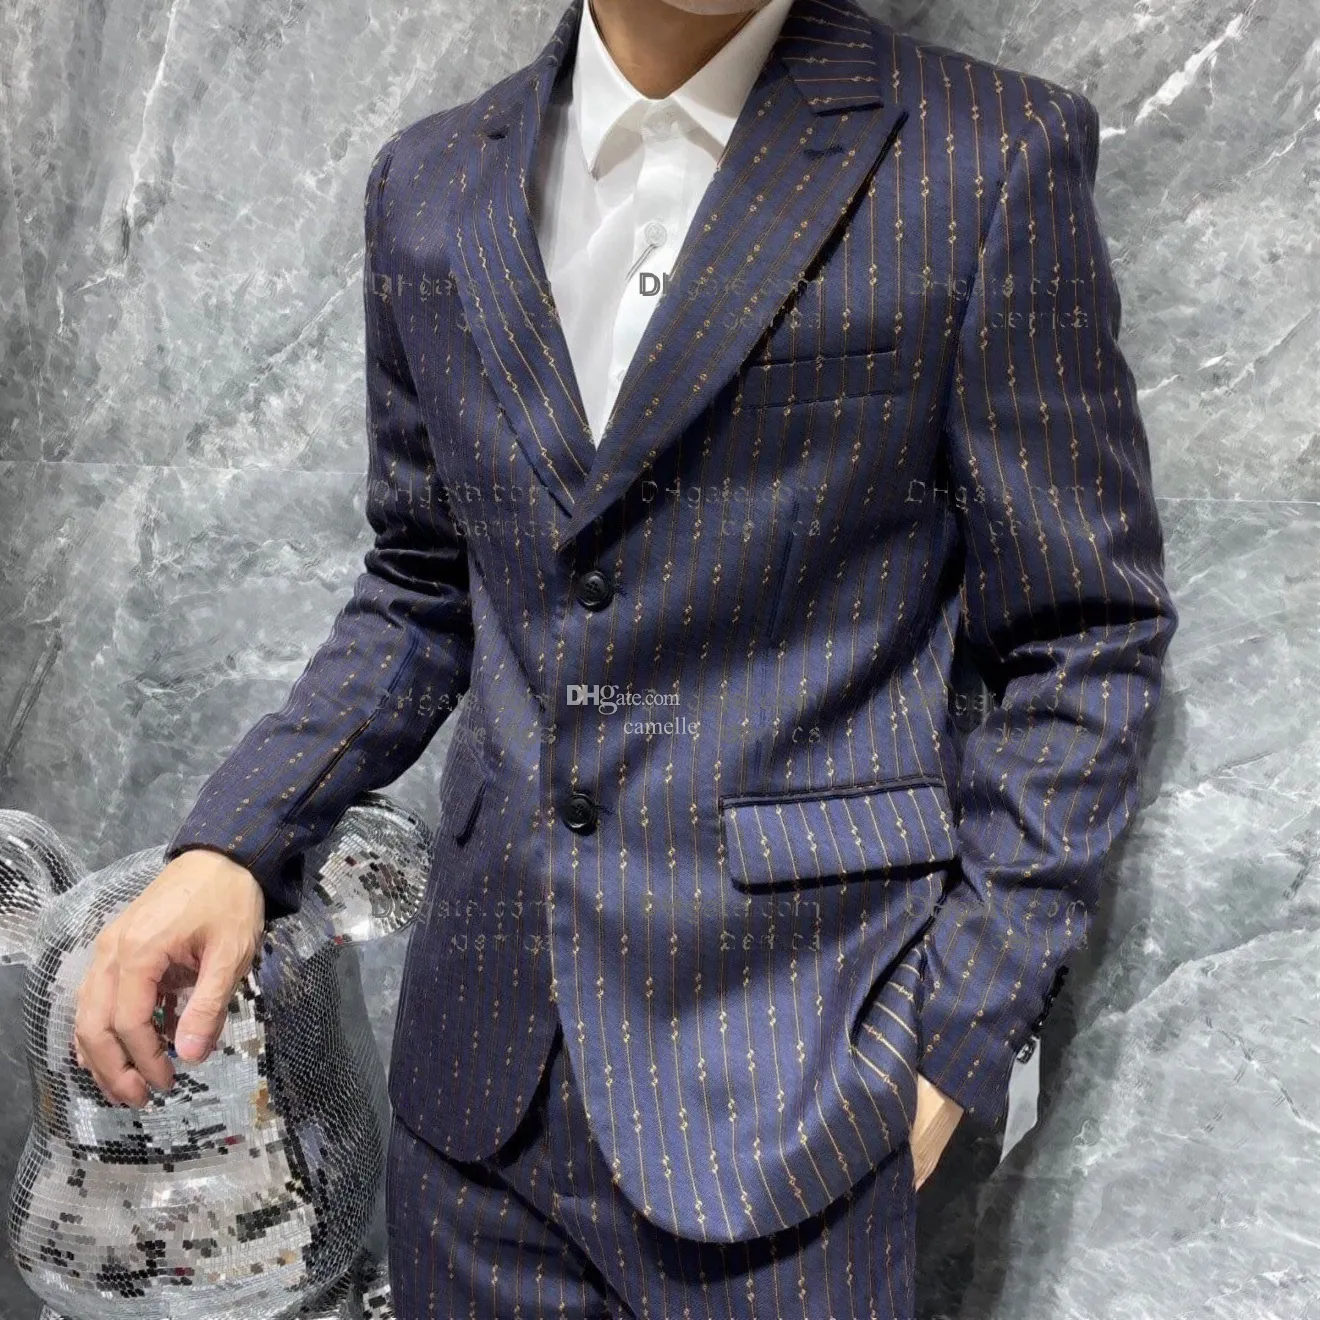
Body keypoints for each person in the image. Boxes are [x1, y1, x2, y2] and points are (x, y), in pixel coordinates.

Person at [74, 0, 1179, 1314]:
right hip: (477, 1107)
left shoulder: (983, 154)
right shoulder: (431, 185)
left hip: (801, 1092)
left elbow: (1082, 631)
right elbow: (425, 582)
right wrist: (233, 841)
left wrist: (962, 1028)